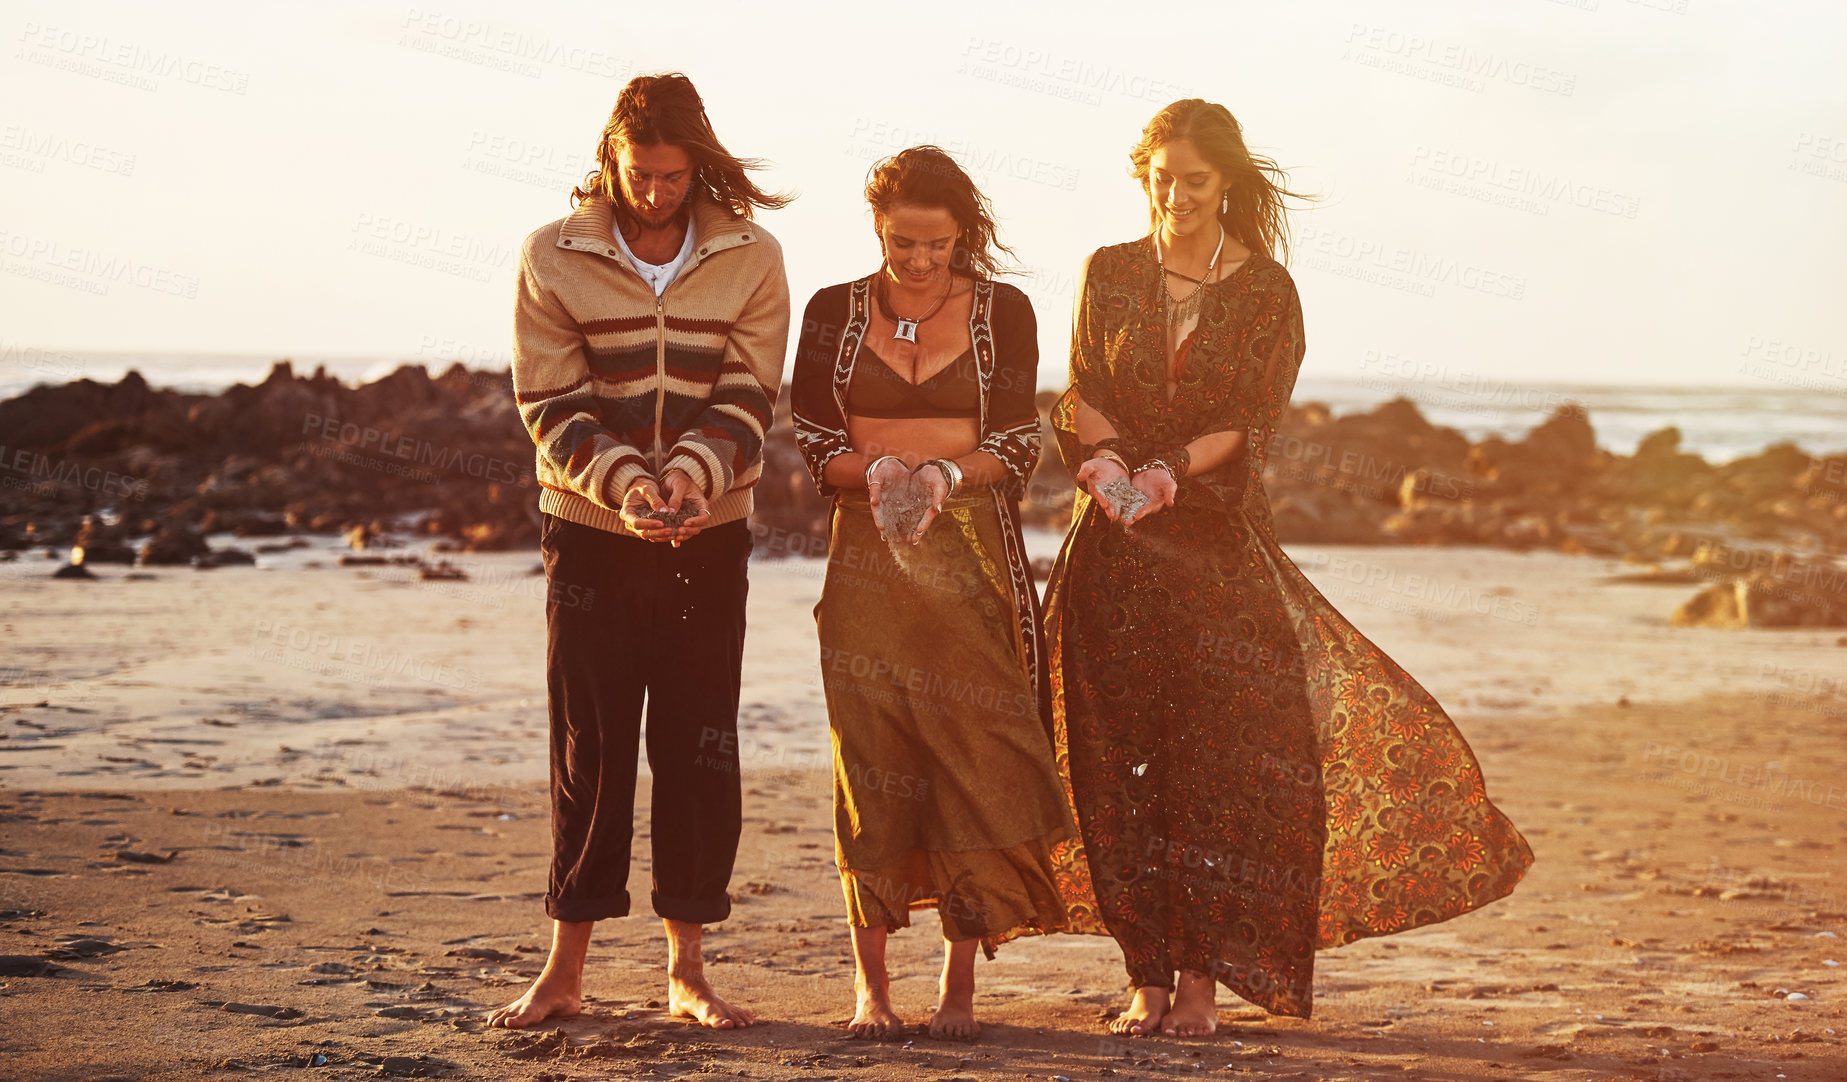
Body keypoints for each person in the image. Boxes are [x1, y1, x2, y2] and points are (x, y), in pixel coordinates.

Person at [1019, 99, 1533, 1036]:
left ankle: (1202, 985)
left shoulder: (1266, 291)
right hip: (1113, 553)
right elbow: (1083, 386)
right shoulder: (1109, 271)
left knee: (1222, 770)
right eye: (1161, 177)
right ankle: (1144, 977)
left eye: (1196, 180)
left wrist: (1168, 472)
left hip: (1214, 552)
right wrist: (1100, 463)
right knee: (1115, 767)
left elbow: (1248, 421)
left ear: (1229, 184)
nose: (1175, 195)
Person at [489, 72, 790, 1031]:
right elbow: (549, 402)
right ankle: (564, 968)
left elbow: (750, 393)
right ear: (610, 156)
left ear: (698, 162)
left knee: (699, 744)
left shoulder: (751, 254)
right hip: (589, 536)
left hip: (712, 529)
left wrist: (694, 480)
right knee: (592, 745)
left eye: (673, 175)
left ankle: (688, 971)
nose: (657, 192)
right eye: (641, 173)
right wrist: (627, 487)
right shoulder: (552, 253)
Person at [790, 146, 1072, 1042]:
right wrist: (874, 474)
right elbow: (806, 438)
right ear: (877, 227)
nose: (919, 260)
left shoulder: (1003, 311)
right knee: (868, 757)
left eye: (938, 245)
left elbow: (1022, 440)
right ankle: (870, 989)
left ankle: (958, 989)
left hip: (971, 548)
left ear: (963, 234)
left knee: (972, 756)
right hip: (866, 549)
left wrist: (945, 475)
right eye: (903, 243)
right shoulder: (832, 311)